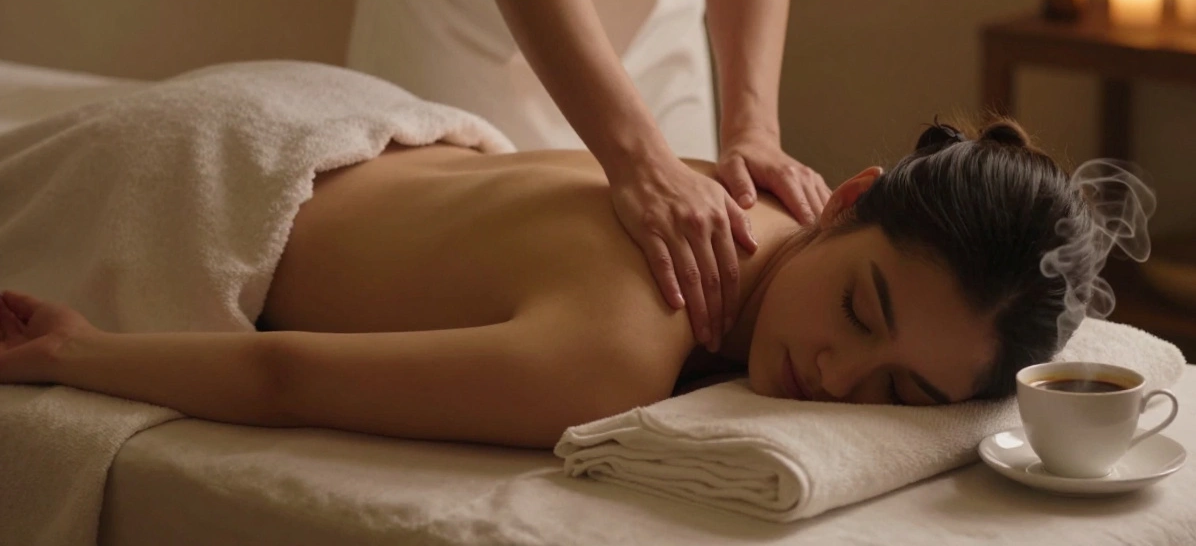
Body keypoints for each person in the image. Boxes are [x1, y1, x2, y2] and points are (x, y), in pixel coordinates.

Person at [0, 117, 1100, 450]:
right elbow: (288, 379)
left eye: (900, 393)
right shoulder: (612, 353)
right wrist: (76, 352)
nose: (838, 375)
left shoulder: (753, 197)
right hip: (203, 175)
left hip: (348, 122)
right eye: (861, 311)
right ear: (847, 198)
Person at [346, 0, 830, 346]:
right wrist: (640, 159)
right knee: (440, 320)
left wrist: (753, 128)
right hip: (462, 23)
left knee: (675, 320)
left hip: (655, 44)